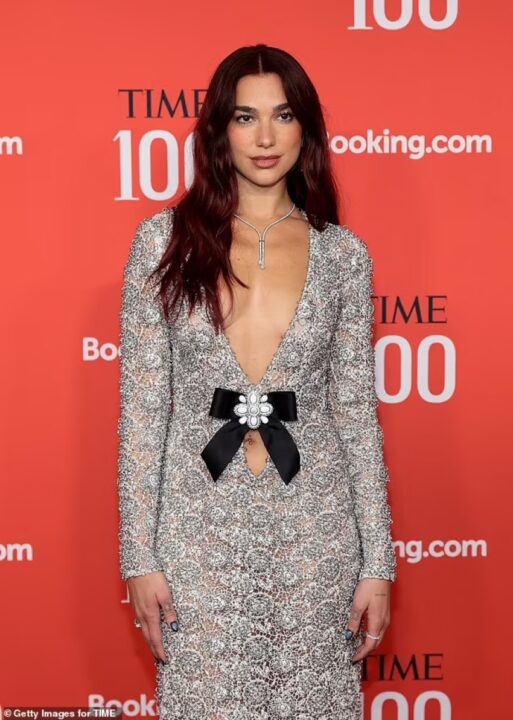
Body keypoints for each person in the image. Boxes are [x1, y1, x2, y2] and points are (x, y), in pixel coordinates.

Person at [117, 43, 397, 720]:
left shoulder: (343, 256)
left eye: (283, 115)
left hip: (316, 530)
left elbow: (356, 416)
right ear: (220, 129)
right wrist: (138, 556)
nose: (265, 137)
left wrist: (377, 564)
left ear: (306, 128)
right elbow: (142, 415)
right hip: (196, 531)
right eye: (246, 117)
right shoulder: (162, 243)